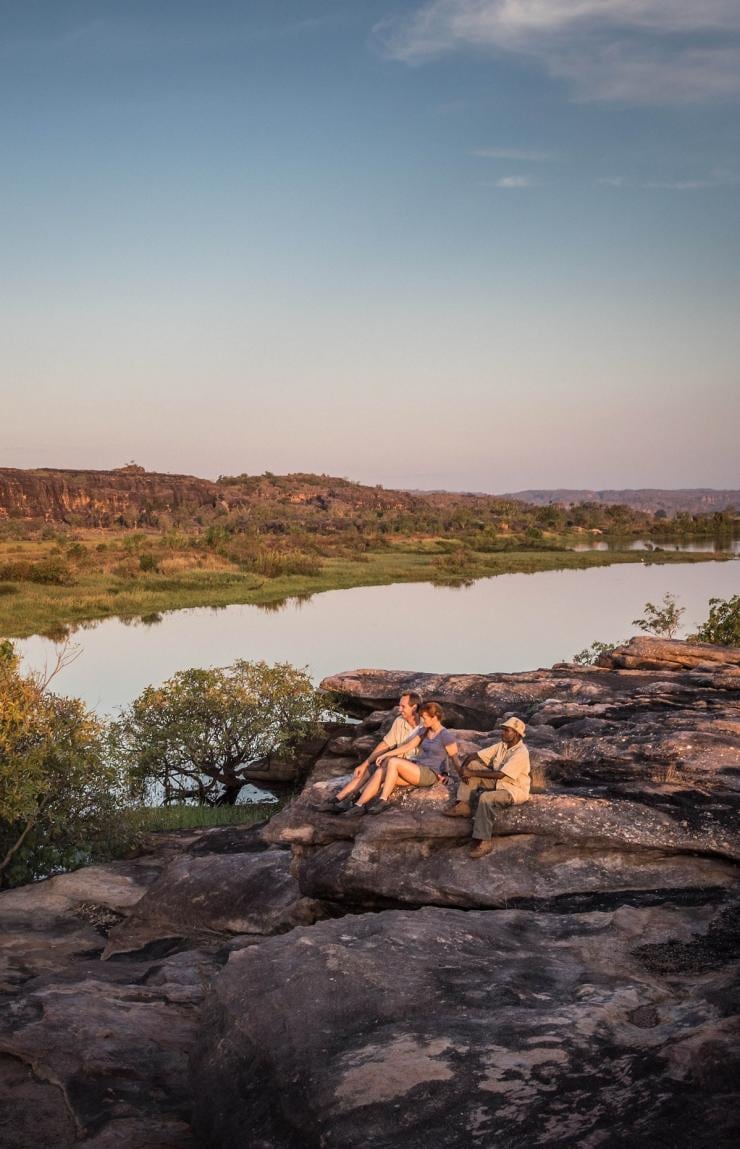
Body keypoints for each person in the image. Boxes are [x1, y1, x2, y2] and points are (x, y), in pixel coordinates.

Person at [344, 701, 459, 816]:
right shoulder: (424, 730)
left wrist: (452, 775)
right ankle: (359, 805)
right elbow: (408, 746)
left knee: (394, 762)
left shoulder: (445, 736)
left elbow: (453, 758)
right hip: (417, 769)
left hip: (430, 774)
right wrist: (386, 754)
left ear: (434, 717)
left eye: (424, 718)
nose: (422, 721)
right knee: (380, 771)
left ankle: (383, 800)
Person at [444, 716, 530, 858]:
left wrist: (471, 773)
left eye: (506, 730)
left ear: (516, 733)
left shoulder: (521, 753)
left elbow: (500, 775)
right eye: (503, 730)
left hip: (513, 789)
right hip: (498, 783)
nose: (502, 733)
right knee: (473, 765)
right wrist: (464, 770)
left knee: (485, 798)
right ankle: (463, 804)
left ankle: (484, 841)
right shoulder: (502, 745)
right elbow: (474, 756)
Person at [324, 692, 422, 813]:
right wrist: (365, 763)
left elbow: (413, 748)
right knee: (368, 770)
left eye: (403, 706)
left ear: (414, 707)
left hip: (410, 766)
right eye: (399, 706)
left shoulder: (425, 724)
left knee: (381, 769)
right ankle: (336, 800)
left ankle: (356, 800)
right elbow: (386, 743)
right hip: (394, 761)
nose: (400, 709)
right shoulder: (400, 721)